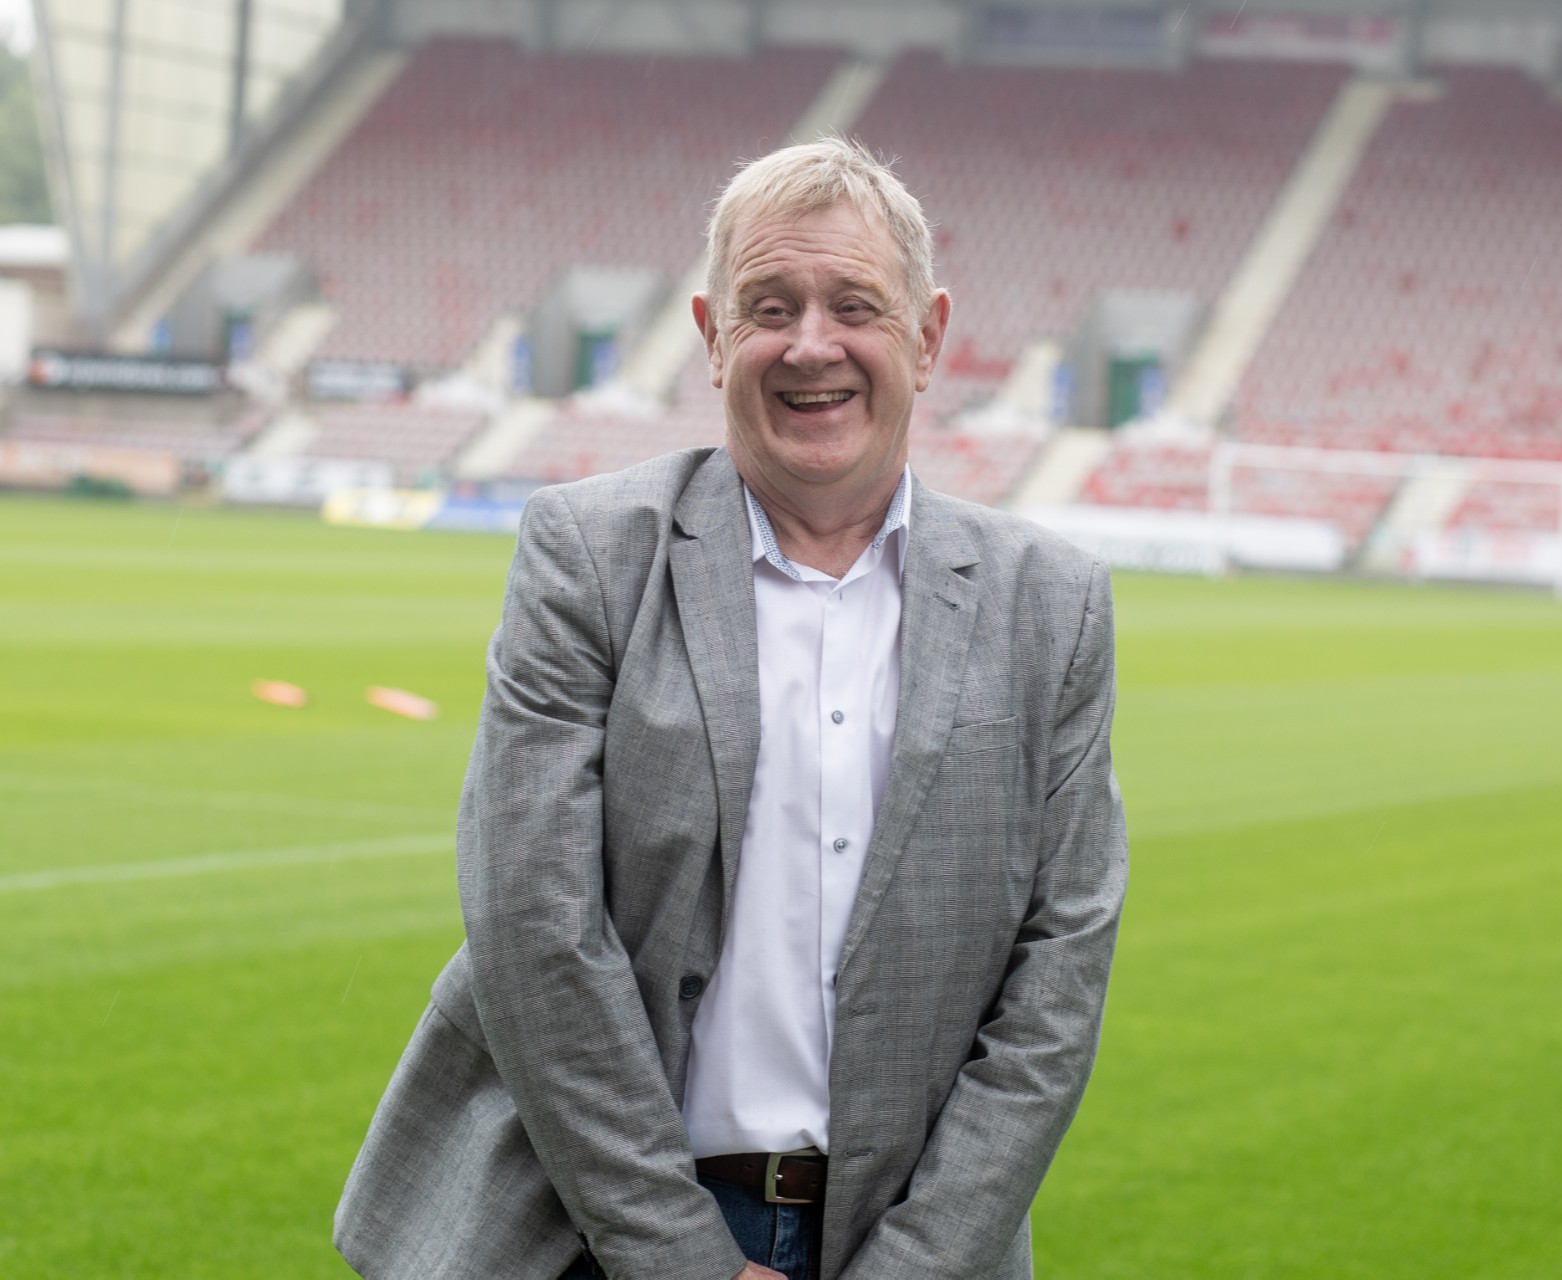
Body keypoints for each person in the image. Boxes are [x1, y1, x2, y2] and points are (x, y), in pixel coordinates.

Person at [334, 137, 1127, 1280]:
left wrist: (916, 1263)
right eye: (770, 306)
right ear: (712, 337)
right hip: (586, 1228)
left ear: (930, 334)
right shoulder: (589, 557)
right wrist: (681, 1258)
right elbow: (530, 921)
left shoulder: (1050, 604)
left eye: (856, 303)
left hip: (902, 1241)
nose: (813, 344)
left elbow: (1060, 973)